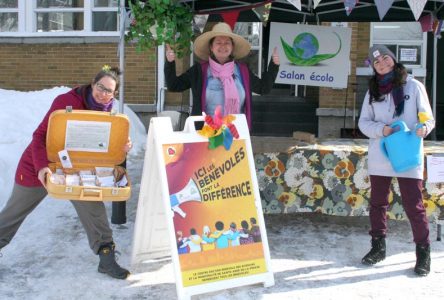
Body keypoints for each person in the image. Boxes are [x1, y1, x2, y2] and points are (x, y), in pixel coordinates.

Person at [0, 66, 131, 280]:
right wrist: (42, 167)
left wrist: (122, 146)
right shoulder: (66, 102)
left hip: (76, 168)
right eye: (100, 87)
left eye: (109, 90)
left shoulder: (108, 110)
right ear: (92, 82)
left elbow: (103, 145)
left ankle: (106, 257)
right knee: (13, 214)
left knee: (94, 208)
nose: (103, 93)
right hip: (39, 165)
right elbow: (39, 136)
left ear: (114, 93)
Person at [358, 45, 435, 276]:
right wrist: (383, 130)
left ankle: (423, 252)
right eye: (377, 62)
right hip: (381, 155)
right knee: (378, 204)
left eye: (384, 58)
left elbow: (427, 118)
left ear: (393, 58)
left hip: (408, 155)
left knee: (414, 205)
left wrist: (424, 128)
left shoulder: (413, 85)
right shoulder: (372, 91)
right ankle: (378, 248)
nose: (382, 63)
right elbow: (363, 122)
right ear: (373, 68)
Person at [164, 22, 280, 128]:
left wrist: (274, 65)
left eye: (227, 43)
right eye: (218, 42)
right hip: (205, 134)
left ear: (232, 47)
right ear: (211, 47)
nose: (223, 46)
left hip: (236, 133)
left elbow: (263, 88)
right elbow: (174, 85)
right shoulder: (198, 71)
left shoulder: (243, 71)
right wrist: (170, 62)